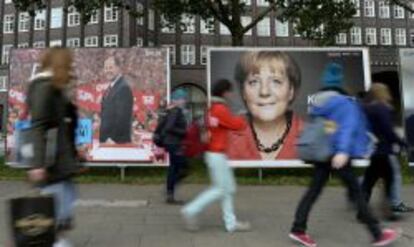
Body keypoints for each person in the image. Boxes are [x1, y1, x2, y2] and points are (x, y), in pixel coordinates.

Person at [289, 63, 400, 247]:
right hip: (337, 154)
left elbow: (328, 128)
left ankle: (298, 229)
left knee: (313, 192)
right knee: (356, 193)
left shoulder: (318, 102)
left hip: (323, 153)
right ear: (340, 82)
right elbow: (346, 128)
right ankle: (377, 234)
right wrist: (342, 151)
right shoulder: (343, 102)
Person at [26, 48, 80, 247]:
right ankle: (55, 242)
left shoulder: (55, 87)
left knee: (65, 205)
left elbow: (63, 123)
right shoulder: (44, 87)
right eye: (69, 63)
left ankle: (56, 240)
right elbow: (38, 125)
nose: (71, 67)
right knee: (56, 210)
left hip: (60, 160)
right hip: (51, 162)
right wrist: (37, 164)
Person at [181, 79, 251, 233]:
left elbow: (224, 124)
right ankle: (191, 210)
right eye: (230, 91)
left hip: (215, 154)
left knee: (228, 189)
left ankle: (231, 223)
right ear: (224, 92)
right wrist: (242, 117)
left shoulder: (212, 108)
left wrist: (235, 117)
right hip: (217, 154)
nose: (232, 95)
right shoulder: (220, 109)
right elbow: (237, 125)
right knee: (221, 189)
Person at [227, 51, 304, 160]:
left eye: (276, 81)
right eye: (254, 82)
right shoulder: (226, 135)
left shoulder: (313, 136)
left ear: (291, 91)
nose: (264, 92)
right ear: (243, 92)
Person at [362, 83, 413, 217]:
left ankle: (363, 209)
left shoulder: (367, 108)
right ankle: (392, 209)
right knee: (392, 177)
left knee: (370, 180)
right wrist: (402, 142)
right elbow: (388, 130)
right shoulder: (381, 108)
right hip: (384, 149)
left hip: (373, 149)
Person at [162, 89, 189, 204]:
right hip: (174, 143)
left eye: (184, 98)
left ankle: (170, 193)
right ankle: (170, 189)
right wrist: (183, 132)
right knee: (182, 167)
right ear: (175, 100)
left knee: (174, 168)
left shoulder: (173, 111)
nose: (184, 101)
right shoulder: (176, 111)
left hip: (172, 142)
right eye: (182, 99)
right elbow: (169, 127)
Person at [99, 56, 133, 144]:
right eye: (106, 68)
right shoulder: (111, 87)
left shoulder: (123, 88)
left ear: (118, 68)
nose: (107, 71)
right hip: (107, 142)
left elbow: (123, 118)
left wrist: (113, 139)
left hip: (115, 143)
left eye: (111, 67)